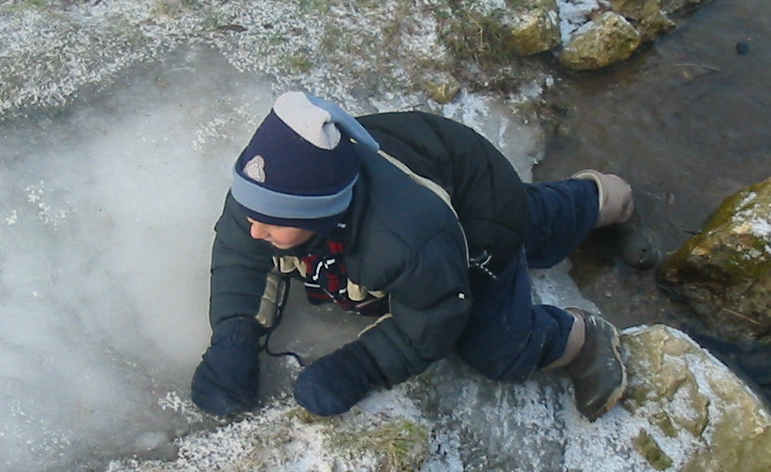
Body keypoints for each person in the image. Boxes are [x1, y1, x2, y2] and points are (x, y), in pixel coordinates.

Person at [190, 92, 655, 421]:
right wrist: (232, 338)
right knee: (531, 215)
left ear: (321, 213)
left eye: (271, 221)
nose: (255, 227)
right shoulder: (265, 191)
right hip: (438, 170)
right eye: (251, 211)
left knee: (496, 344)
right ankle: (606, 197)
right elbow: (240, 252)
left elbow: (432, 318)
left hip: (476, 208)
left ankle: (581, 336)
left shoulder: (406, 239)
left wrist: (361, 366)